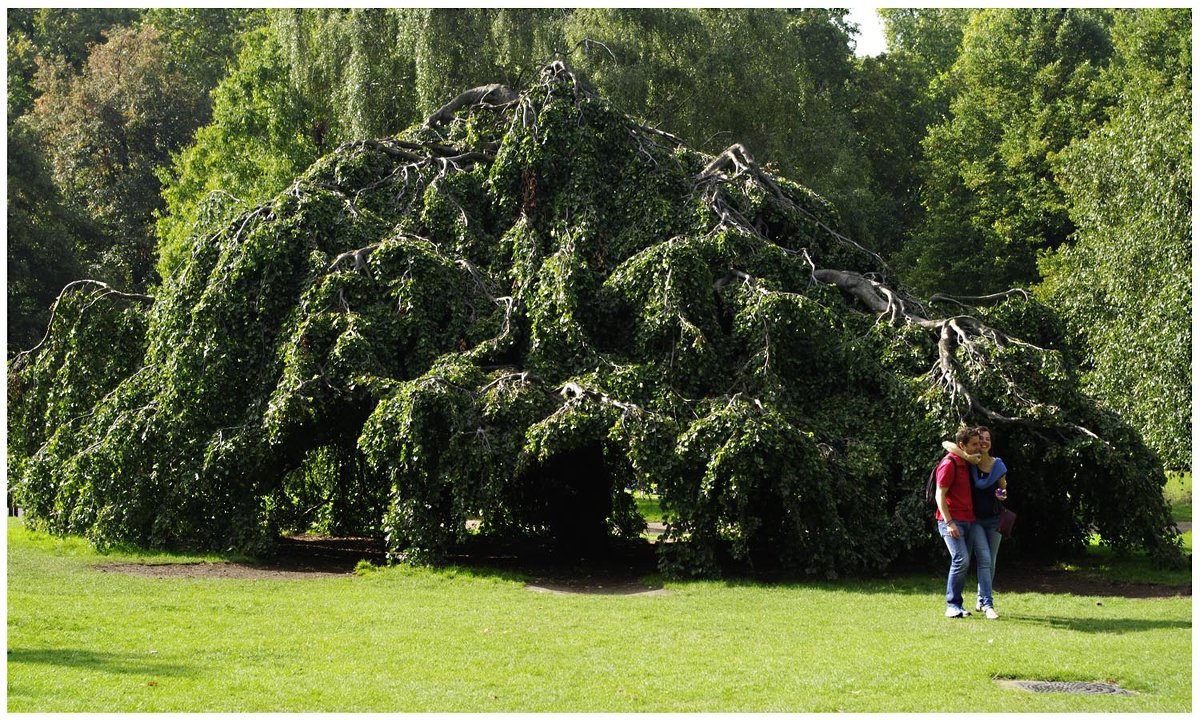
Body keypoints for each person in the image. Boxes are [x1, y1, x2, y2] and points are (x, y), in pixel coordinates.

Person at [942, 426, 1008, 619]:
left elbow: (1003, 488)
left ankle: (981, 600)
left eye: (987, 439)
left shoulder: (998, 465)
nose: (983, 442)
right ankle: (988, 605)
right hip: (975, 519)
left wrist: (1002, 494)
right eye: (980, 440)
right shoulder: (970, 461)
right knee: (984, 559)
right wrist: (969, 456)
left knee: (990, 561)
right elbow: (947, 444)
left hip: (995, 518)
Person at [934, 427, 993, 618]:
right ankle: (952, 605)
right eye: (974, 444)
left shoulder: (967, 463)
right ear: (962, 446)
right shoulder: (948, 464)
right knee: (961, 560)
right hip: (951, 521)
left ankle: (963, 605)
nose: (978, 447)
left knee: (971, 560)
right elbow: (939, 495)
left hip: (969, 520)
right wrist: (949, 522)